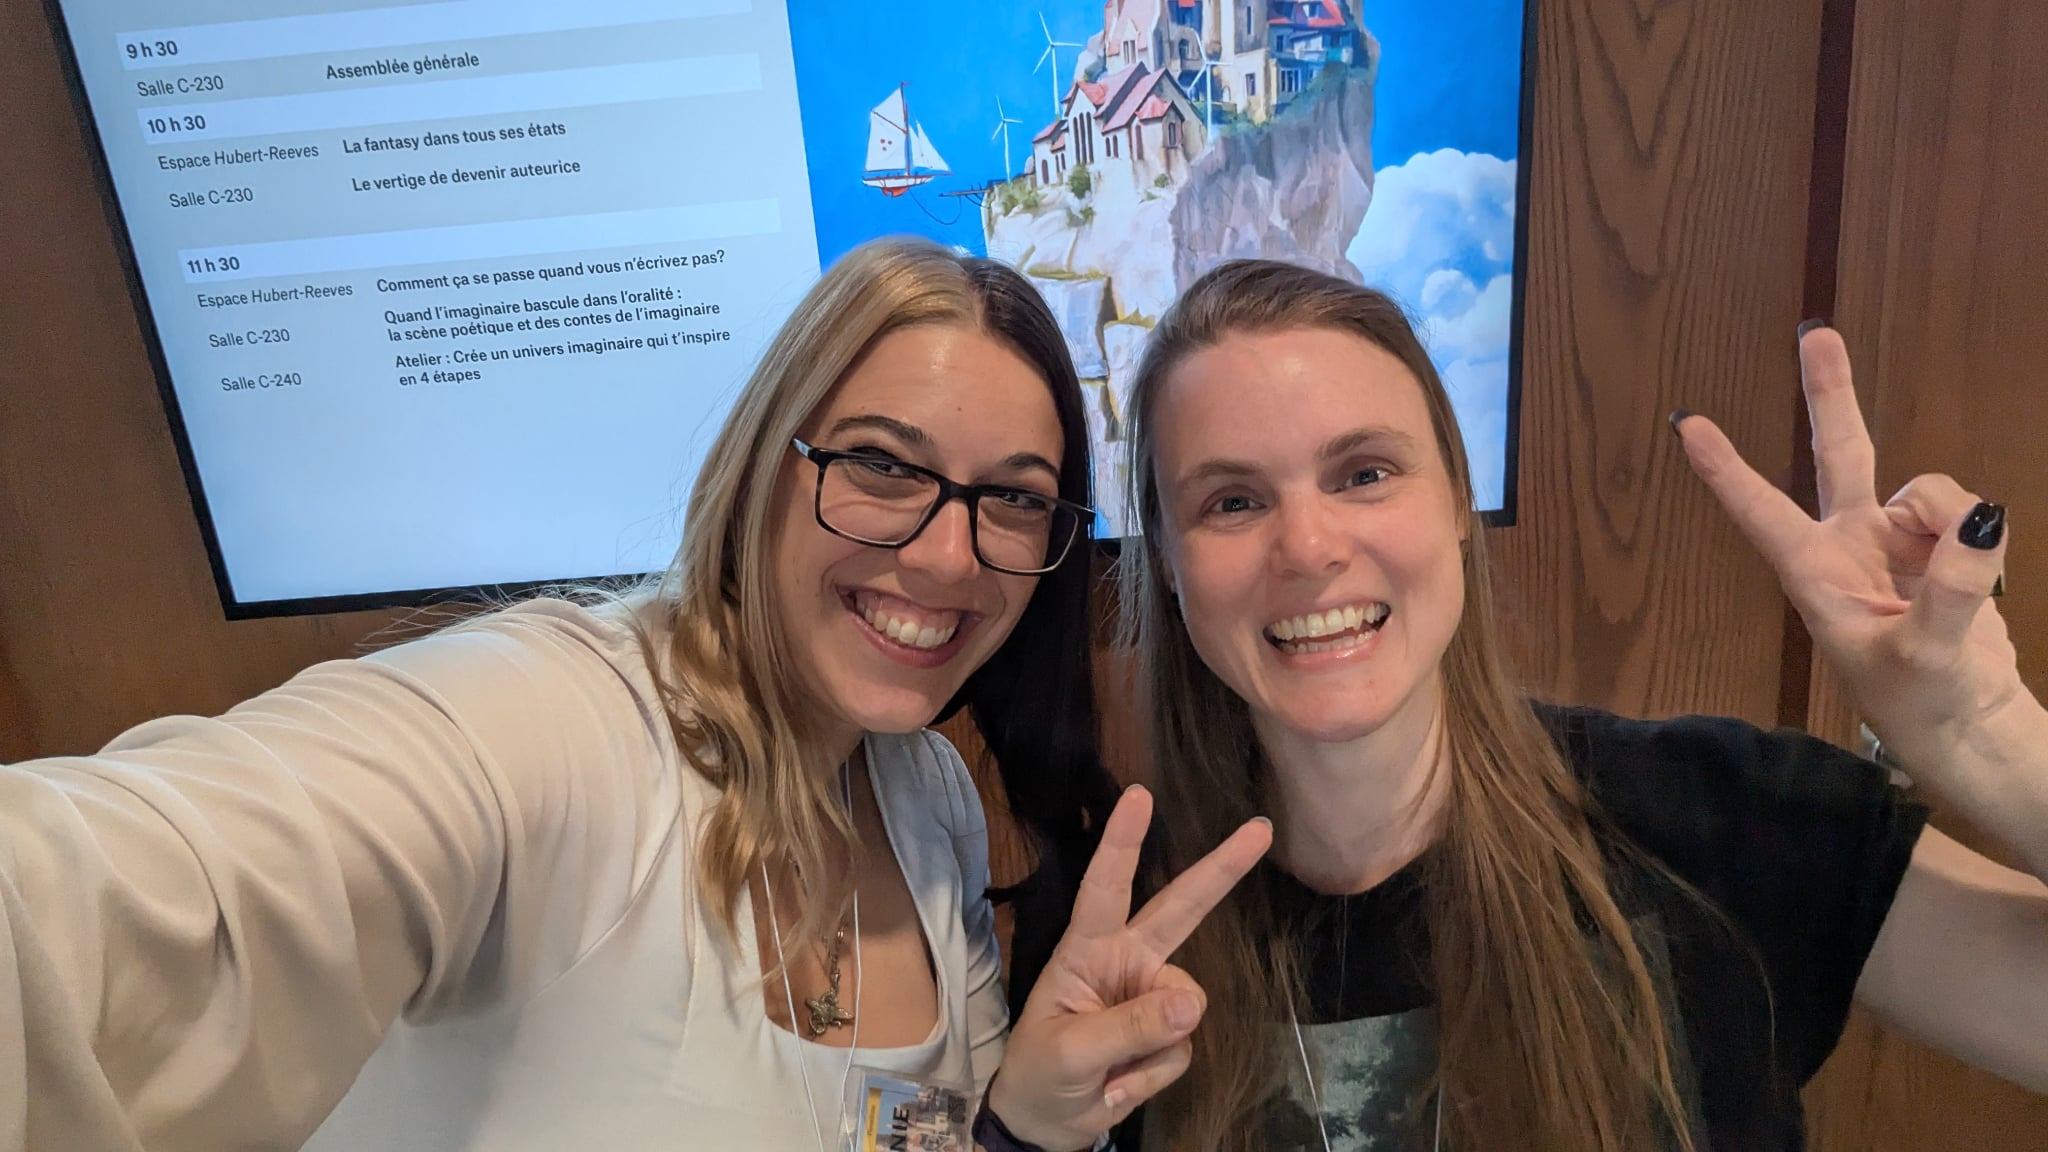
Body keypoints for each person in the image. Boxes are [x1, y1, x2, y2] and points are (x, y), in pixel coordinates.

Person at [0, 237, 1270, 1152]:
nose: (947, 556)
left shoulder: (923, 792)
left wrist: (1020, 1124)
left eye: (1010, 498)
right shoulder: (558, 723)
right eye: (882, 466)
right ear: (766, 460)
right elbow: (96, 892)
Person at [1114, 259, 2048, 1150]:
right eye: (1232, 502)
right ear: (1167, 559)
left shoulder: (1716, 820)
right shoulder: (1115, 935)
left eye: (1363, 474)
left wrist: (1988, 739)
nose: (1309, 547)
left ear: (1454, 503)